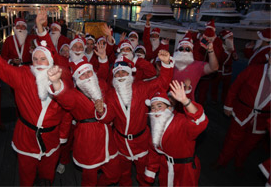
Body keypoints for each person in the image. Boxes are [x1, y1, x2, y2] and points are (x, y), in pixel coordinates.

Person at [0, 7, 73, 186]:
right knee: (26, 178)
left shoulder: (64, 77)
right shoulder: (23, 75)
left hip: (52, 139)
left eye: (43, 59)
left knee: (47, 176)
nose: (38, 62)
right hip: (26, 139)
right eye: (35, 59)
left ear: (52, 61)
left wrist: (62, 136)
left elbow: (68, 110)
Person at [94, 50, 174, 186]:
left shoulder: (141, 87)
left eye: (123, 72)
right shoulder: (111, 94)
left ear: (130, 73)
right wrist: (101, 112)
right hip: (120, 143)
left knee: (143, 175)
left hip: (141, 142)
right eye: (117, 73)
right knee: (124, 175)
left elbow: (162, 83)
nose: (120, 75)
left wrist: (166, 64)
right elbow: (108, 119)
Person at [47, 47, 120, 186]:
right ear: (76, 79)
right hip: (88, 140)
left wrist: (103, 111)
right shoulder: (74, 95)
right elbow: (64, 98)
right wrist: (56, 83)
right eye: (82, 74)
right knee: (89, 180)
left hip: (106, 137)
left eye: (89, 72)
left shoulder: (102, 86)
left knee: (114, 174)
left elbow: (112, 111)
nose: (87, 76)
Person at [144, 81, 208, 186]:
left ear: (169, 108)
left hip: (185, 170)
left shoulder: (180, 121)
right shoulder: (156, 127)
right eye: (153, 107)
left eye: (159, 106)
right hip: (165, 168)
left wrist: (185, 101)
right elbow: (154, 151)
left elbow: (199, 122)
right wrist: (151, 170)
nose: (155, 111)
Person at [213, 58, 271, 172]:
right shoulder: (253, 70)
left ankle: (239, 163)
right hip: (242, 112)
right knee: (232, 139)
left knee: (249, 144)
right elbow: (235, 86)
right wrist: (228, 105)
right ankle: (222, 161)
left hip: (263, 120)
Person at [172, 31, 219, 104]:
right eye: (181, 49)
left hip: (188, 103)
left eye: (187, 49)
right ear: (177, 50)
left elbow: (214, 68)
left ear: (191, 51)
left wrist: (210, 51)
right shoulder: (170, 63)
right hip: (169, 102)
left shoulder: (197, 65)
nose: (184, 51)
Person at [211, 30, 238, 104]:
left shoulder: (231, 45)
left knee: (226, 87)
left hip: (228, 70)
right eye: (230, 37)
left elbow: (234, 54)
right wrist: (227, 52)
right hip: (219, 69)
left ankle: (224, 100)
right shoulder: (218, 46)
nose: (231, 39)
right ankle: (214, 99)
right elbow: (218, 58)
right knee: (215, 85)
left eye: (232, 37)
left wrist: (235, 56)